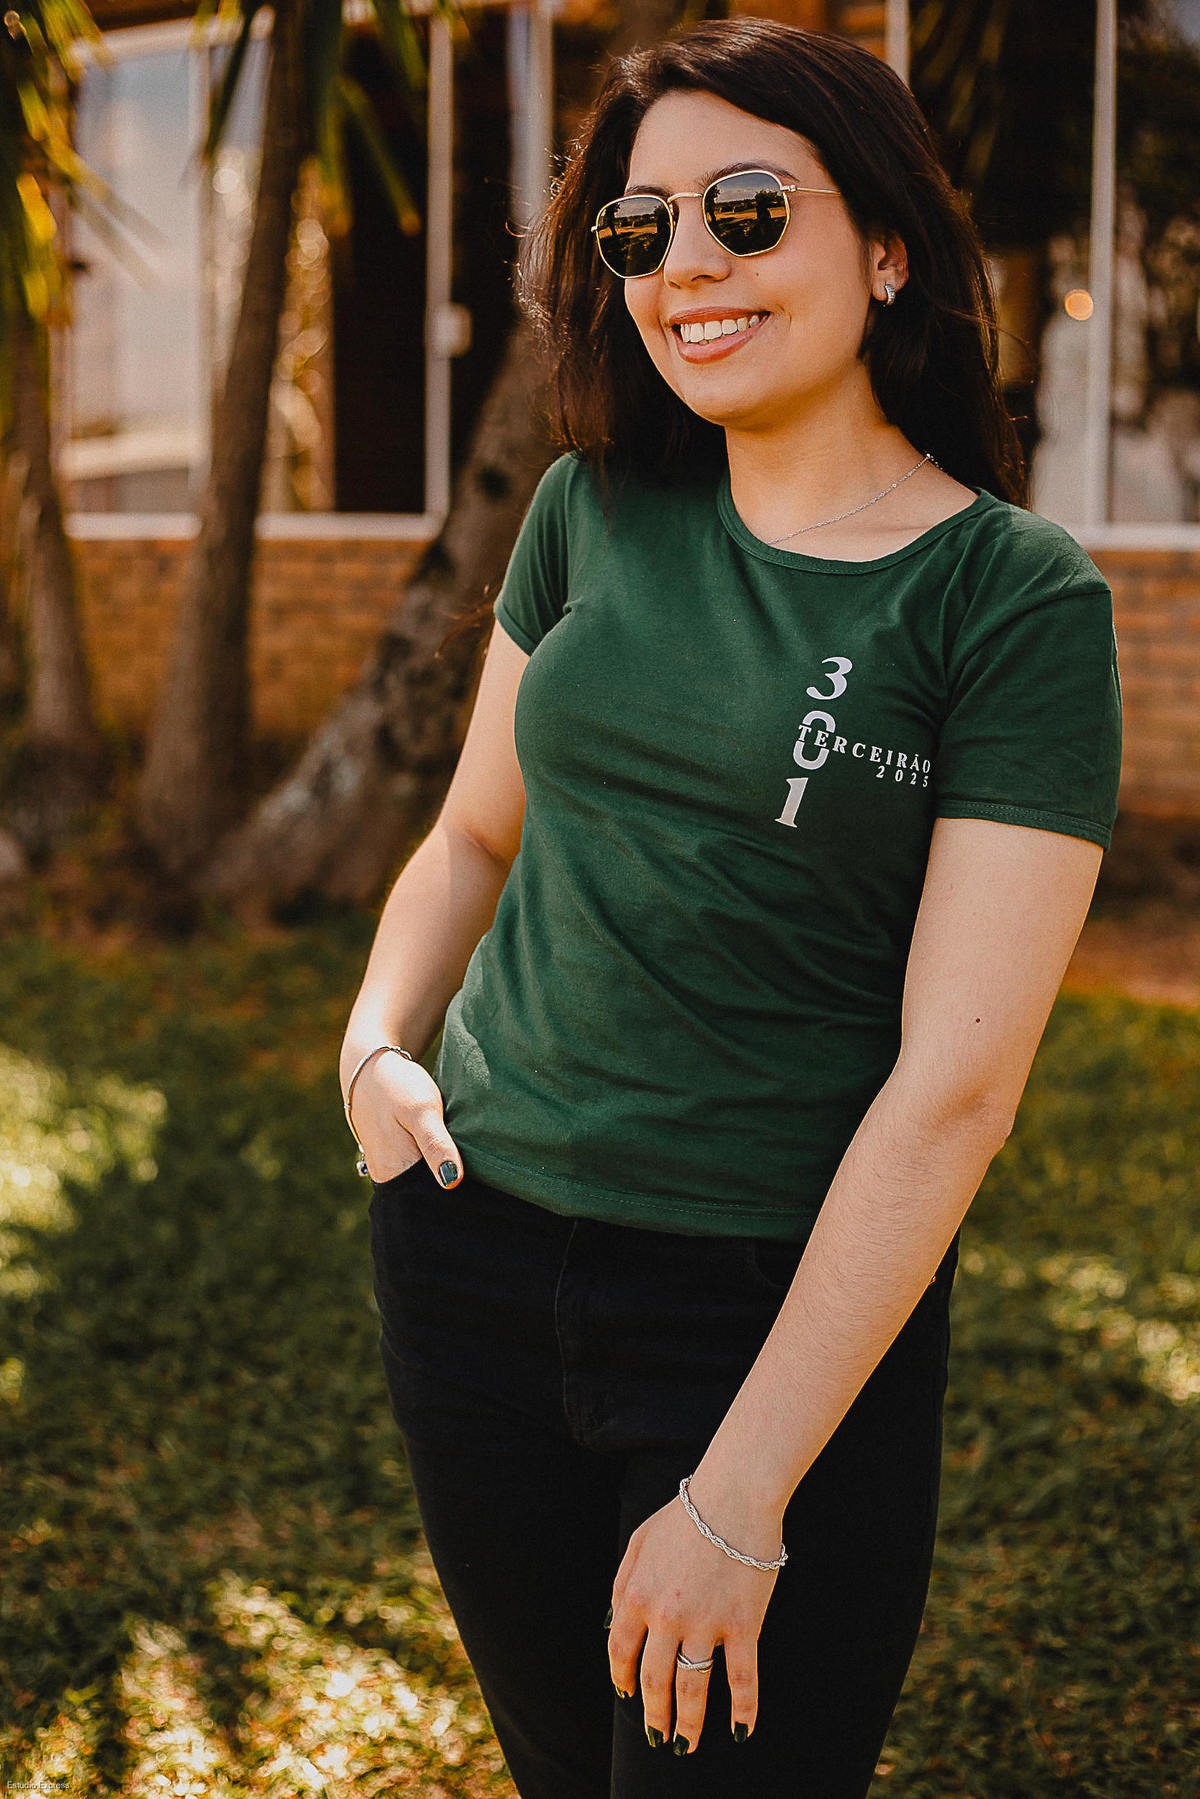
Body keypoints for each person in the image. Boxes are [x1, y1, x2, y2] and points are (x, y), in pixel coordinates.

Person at [339, 18, 1123, 1799]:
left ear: (892, 246)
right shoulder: (589, 510)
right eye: (640, 231)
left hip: (768, 1312)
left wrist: (745, 1491)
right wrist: (377, 1043)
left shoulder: (1007, 599)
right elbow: (470, 837)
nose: (687, 264)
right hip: (466, 1255)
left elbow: (957, 1088)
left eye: (750, 211)